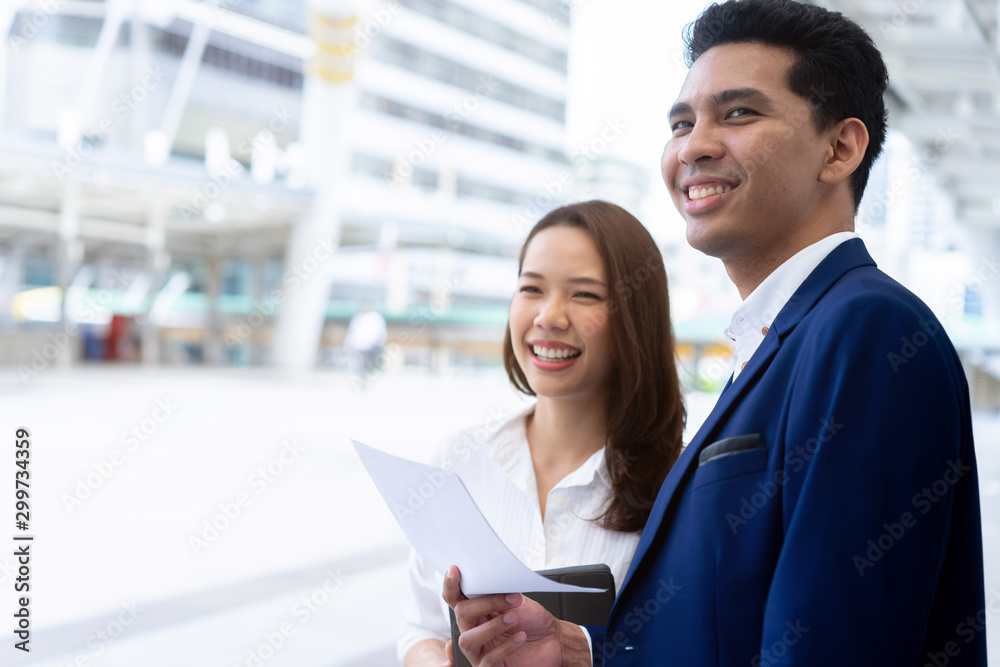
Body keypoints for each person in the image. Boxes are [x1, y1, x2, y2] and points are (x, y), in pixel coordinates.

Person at [444, 1, 987, 665]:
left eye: (738, 113)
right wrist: (580, 650)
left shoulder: (867, 332)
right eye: (681, 121)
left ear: (839, 148)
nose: (694, 145)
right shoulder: (774, 341)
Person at [398, 201, 686, 665]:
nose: (549, 316)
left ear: (637, 317)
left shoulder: (683, 485)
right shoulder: (459, 457)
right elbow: (419, 627)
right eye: (531, 288)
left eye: (585, 295)